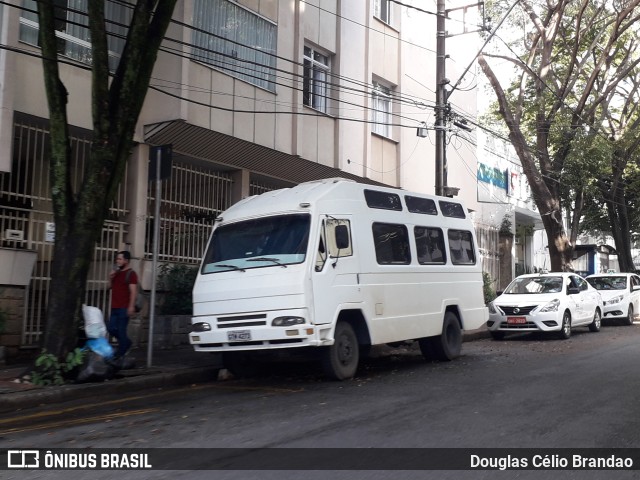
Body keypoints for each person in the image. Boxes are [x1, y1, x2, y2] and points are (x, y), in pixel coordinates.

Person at [108, 250, 138, 359]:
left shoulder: (131, 274)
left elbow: (133, 291)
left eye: (120, 259)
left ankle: (119, 354)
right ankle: (127, 343)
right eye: (117, 259)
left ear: (126, 260)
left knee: (121, 330)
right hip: (114, 306)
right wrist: (111, 277)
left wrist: (131, 306)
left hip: (124, 307)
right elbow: (111, 287)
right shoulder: (116, 273)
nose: (117, 261)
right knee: (111, 328)